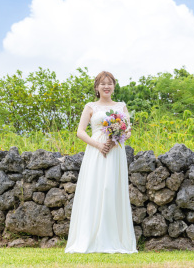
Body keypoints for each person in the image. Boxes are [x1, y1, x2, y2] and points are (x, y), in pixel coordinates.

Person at [65, 71, 137, 254]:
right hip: (97, 152)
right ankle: (92, 237)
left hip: (116, 151)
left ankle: (115, 238)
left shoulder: (121, 106)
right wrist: (99, 145)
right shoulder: (90, 106)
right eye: (103, 83)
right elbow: (80, 132)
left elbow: (128, 130)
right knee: (97, 188)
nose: (106, 86)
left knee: (112, 189)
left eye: (110, 83)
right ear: (97, 87)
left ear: (114, 86)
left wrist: (118, 137)